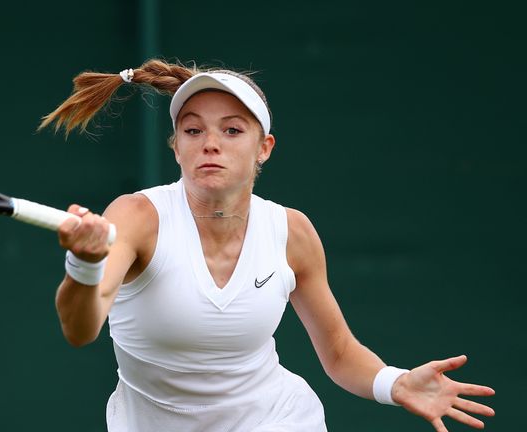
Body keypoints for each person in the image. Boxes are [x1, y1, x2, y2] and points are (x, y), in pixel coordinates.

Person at [38, 59, 495, 432]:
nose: (211, 144)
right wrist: (85, 263)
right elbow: (81, 328)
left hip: (274, 421)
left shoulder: (291, 232)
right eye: (194, 131)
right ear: (176, 147)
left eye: (233, 131)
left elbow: (337, 351)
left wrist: (394, 383)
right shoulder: (137, 218)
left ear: (264, 148)